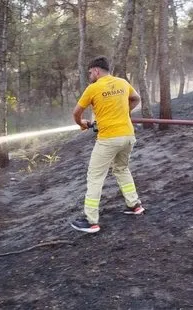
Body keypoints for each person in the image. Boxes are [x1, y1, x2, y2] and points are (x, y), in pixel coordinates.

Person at [70, 56, 145, 233]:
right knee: (121, 169)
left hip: (108, 139)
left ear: (96, 71)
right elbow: (136, 98)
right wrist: (123, 112)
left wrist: (82, 124)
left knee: (95, 176)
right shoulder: (122, 82)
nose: (89, 76)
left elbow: (76, 112)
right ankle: (134, 205)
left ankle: (91, 221)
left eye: (90, 72)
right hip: (127, 135)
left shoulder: (93, 88)